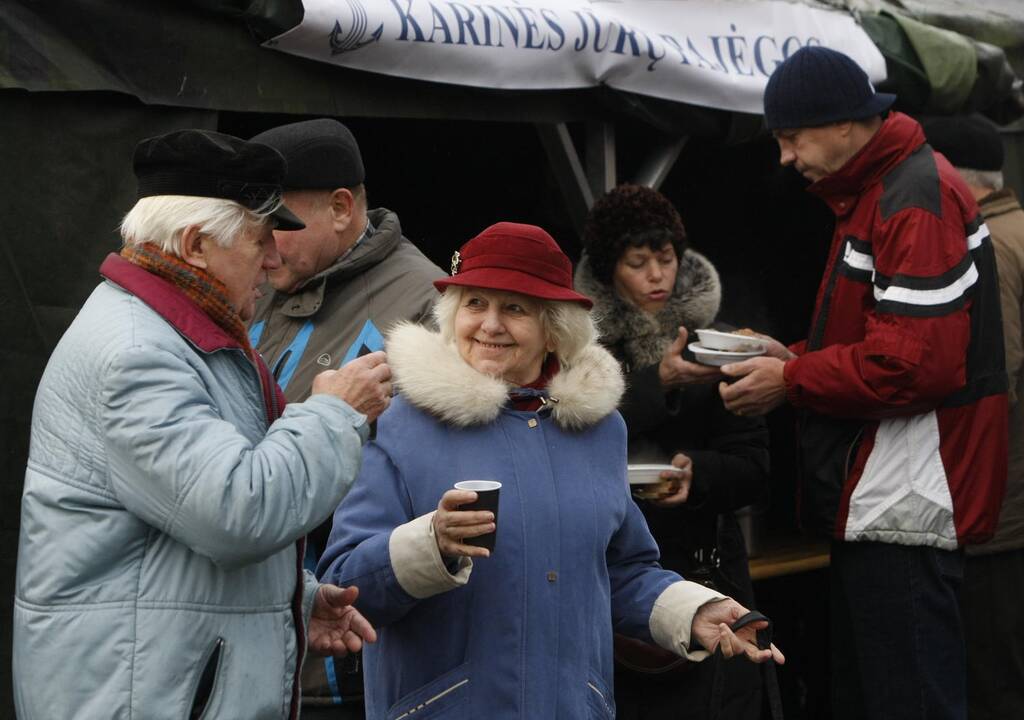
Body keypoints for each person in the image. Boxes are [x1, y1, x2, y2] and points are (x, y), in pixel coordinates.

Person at [317, 222, 783, 719]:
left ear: (555, 329)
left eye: (514, 308)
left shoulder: (599, 430)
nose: (490, 325)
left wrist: (694, 612)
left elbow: (619, 570)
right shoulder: (397, 420)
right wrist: (429, 545)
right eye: (475, 303)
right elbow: (346, 589)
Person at [12, 129, 393, 720]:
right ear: (194, 245)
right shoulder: (138, 353)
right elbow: (236, 512)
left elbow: (166, 537)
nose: (273, 258)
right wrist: (336, 412)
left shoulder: (174, 334)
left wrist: (294, 598)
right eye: (261, 238)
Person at [718, 47, 1009, 720]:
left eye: (790, 136)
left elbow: (915, 365)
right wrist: (783, 353)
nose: (784, 157)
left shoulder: (910, 198)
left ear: (844, 123)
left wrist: (789, 379)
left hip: (905, 501)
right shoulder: (884, 192)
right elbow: (886, 342)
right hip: (888, 499)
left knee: (904, 700)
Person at [247, 117, 444, 716]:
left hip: (343, 657)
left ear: (339, 207)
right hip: (245, 644)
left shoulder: (426, 307)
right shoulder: (258, 281)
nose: (261, 243)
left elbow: (424, 485)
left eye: (277, 222)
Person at [576, 184, 769, 719]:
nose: (657, 275)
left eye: (666, 259)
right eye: (639, 262)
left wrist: (698, 474)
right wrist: (655, 383)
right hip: (613, 575)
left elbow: (755, 466)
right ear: (609, 270)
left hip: (706, 564)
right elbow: (574, 429)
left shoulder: (717, 343)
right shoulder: (579, 353)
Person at [921, 113, 1024, 720]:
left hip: (1008, 507)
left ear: (950, 177)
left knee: (1000, 686)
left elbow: (994, 381)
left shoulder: (989, 244)